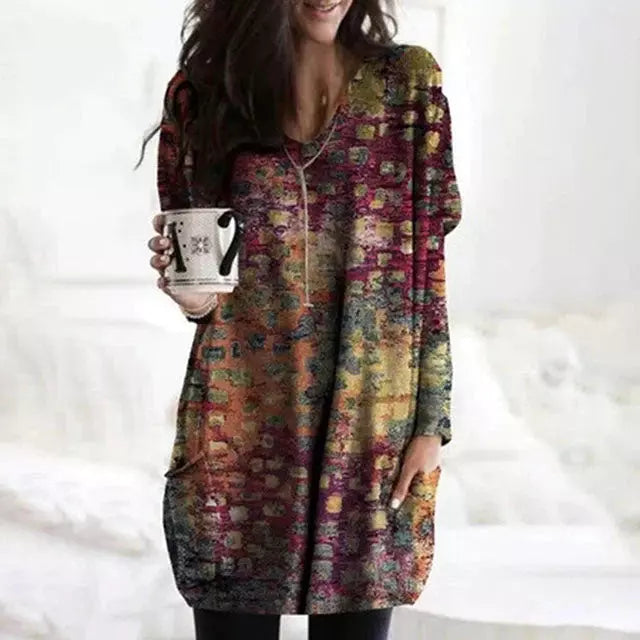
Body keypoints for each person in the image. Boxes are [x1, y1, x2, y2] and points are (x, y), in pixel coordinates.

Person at [139, 0, 462, 638]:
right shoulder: (204, 94)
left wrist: (432, 420)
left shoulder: (408, 85)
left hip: (371, 420)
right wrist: (192, 298)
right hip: (242, 419)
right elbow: (201, 266)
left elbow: (427, 264)